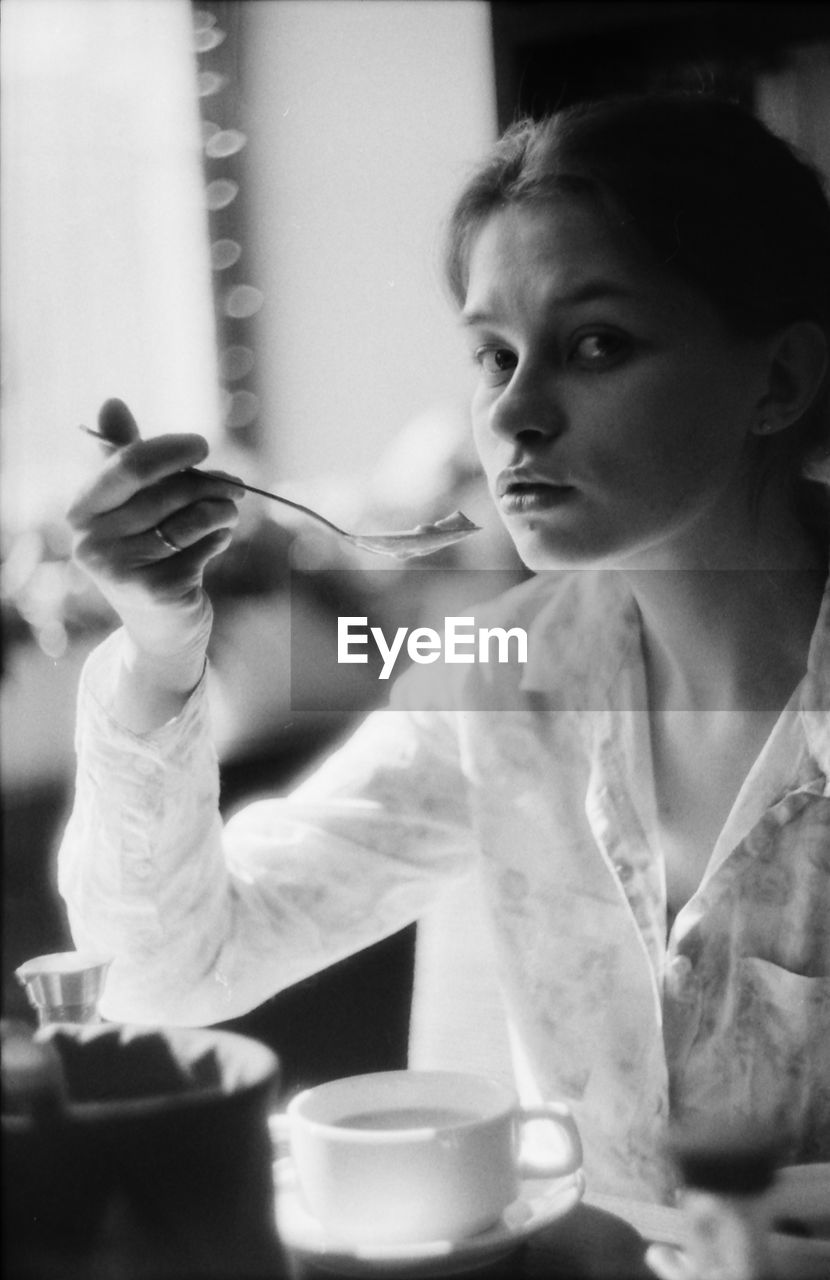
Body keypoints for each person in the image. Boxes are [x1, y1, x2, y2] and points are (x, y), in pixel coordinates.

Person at [59, 93, 830, 1202]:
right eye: (492, 355)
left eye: (595, 343)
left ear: (780, 379)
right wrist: (158, 650)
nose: (515, 413)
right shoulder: (495, 689)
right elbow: (165, 967)